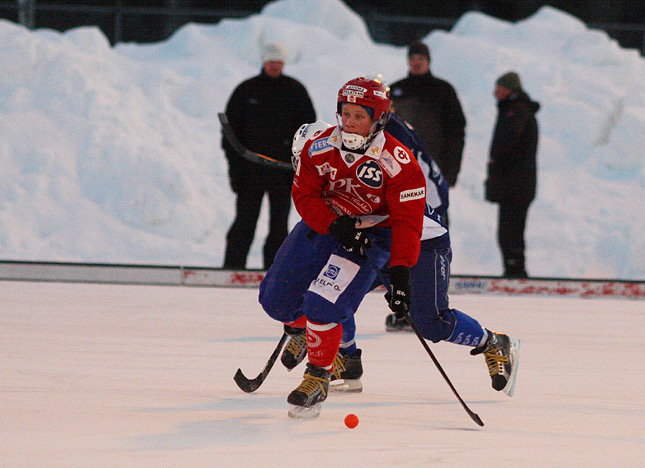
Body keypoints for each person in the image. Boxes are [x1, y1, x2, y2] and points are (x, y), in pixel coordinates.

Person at [258, 77, 427, 417]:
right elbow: (304, 194)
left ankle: (318, 376)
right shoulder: (319, 146)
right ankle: (315, 334)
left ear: (378, 119)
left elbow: (409, 222)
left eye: (359, 116)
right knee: (274, 299)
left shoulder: (400, 162)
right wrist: (332, 223)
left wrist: (401, 271)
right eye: (345, 113)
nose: (349, 122)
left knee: (323, 303)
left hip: (369, 238)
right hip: (325, 225)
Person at [221, 41, 316, 270]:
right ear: (264, 62)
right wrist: (236, 170)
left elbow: (310, 132)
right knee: (244, 223)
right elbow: (230, 135)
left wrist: (300, 167)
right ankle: (232, 269)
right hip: (250, 174)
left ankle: (276, 272)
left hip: (283, 174)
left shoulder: (295, 91)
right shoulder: (246, 91)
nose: (275, 66)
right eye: (271, 61)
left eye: (279, 62)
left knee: (279, 228)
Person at [389, 41, 466, 191]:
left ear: (428, 61)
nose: (416, 63)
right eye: (413, 59)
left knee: (434, 212)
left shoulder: (443, 90)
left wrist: (451, 170)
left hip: (434, 164)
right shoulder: (397, 90)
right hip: (401, 166)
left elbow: (456, 132)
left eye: (421, 59)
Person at [485, 71, 539, 278]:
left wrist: (496, 162)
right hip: (515, 183)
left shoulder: (515, 111)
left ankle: (515, 270)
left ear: (509, 89)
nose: (495, 93)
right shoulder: (515, 109)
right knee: (510, 230)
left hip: (515, 184)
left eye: (499, 89)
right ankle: (513, 268)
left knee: (510, 231)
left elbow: (508, 142)